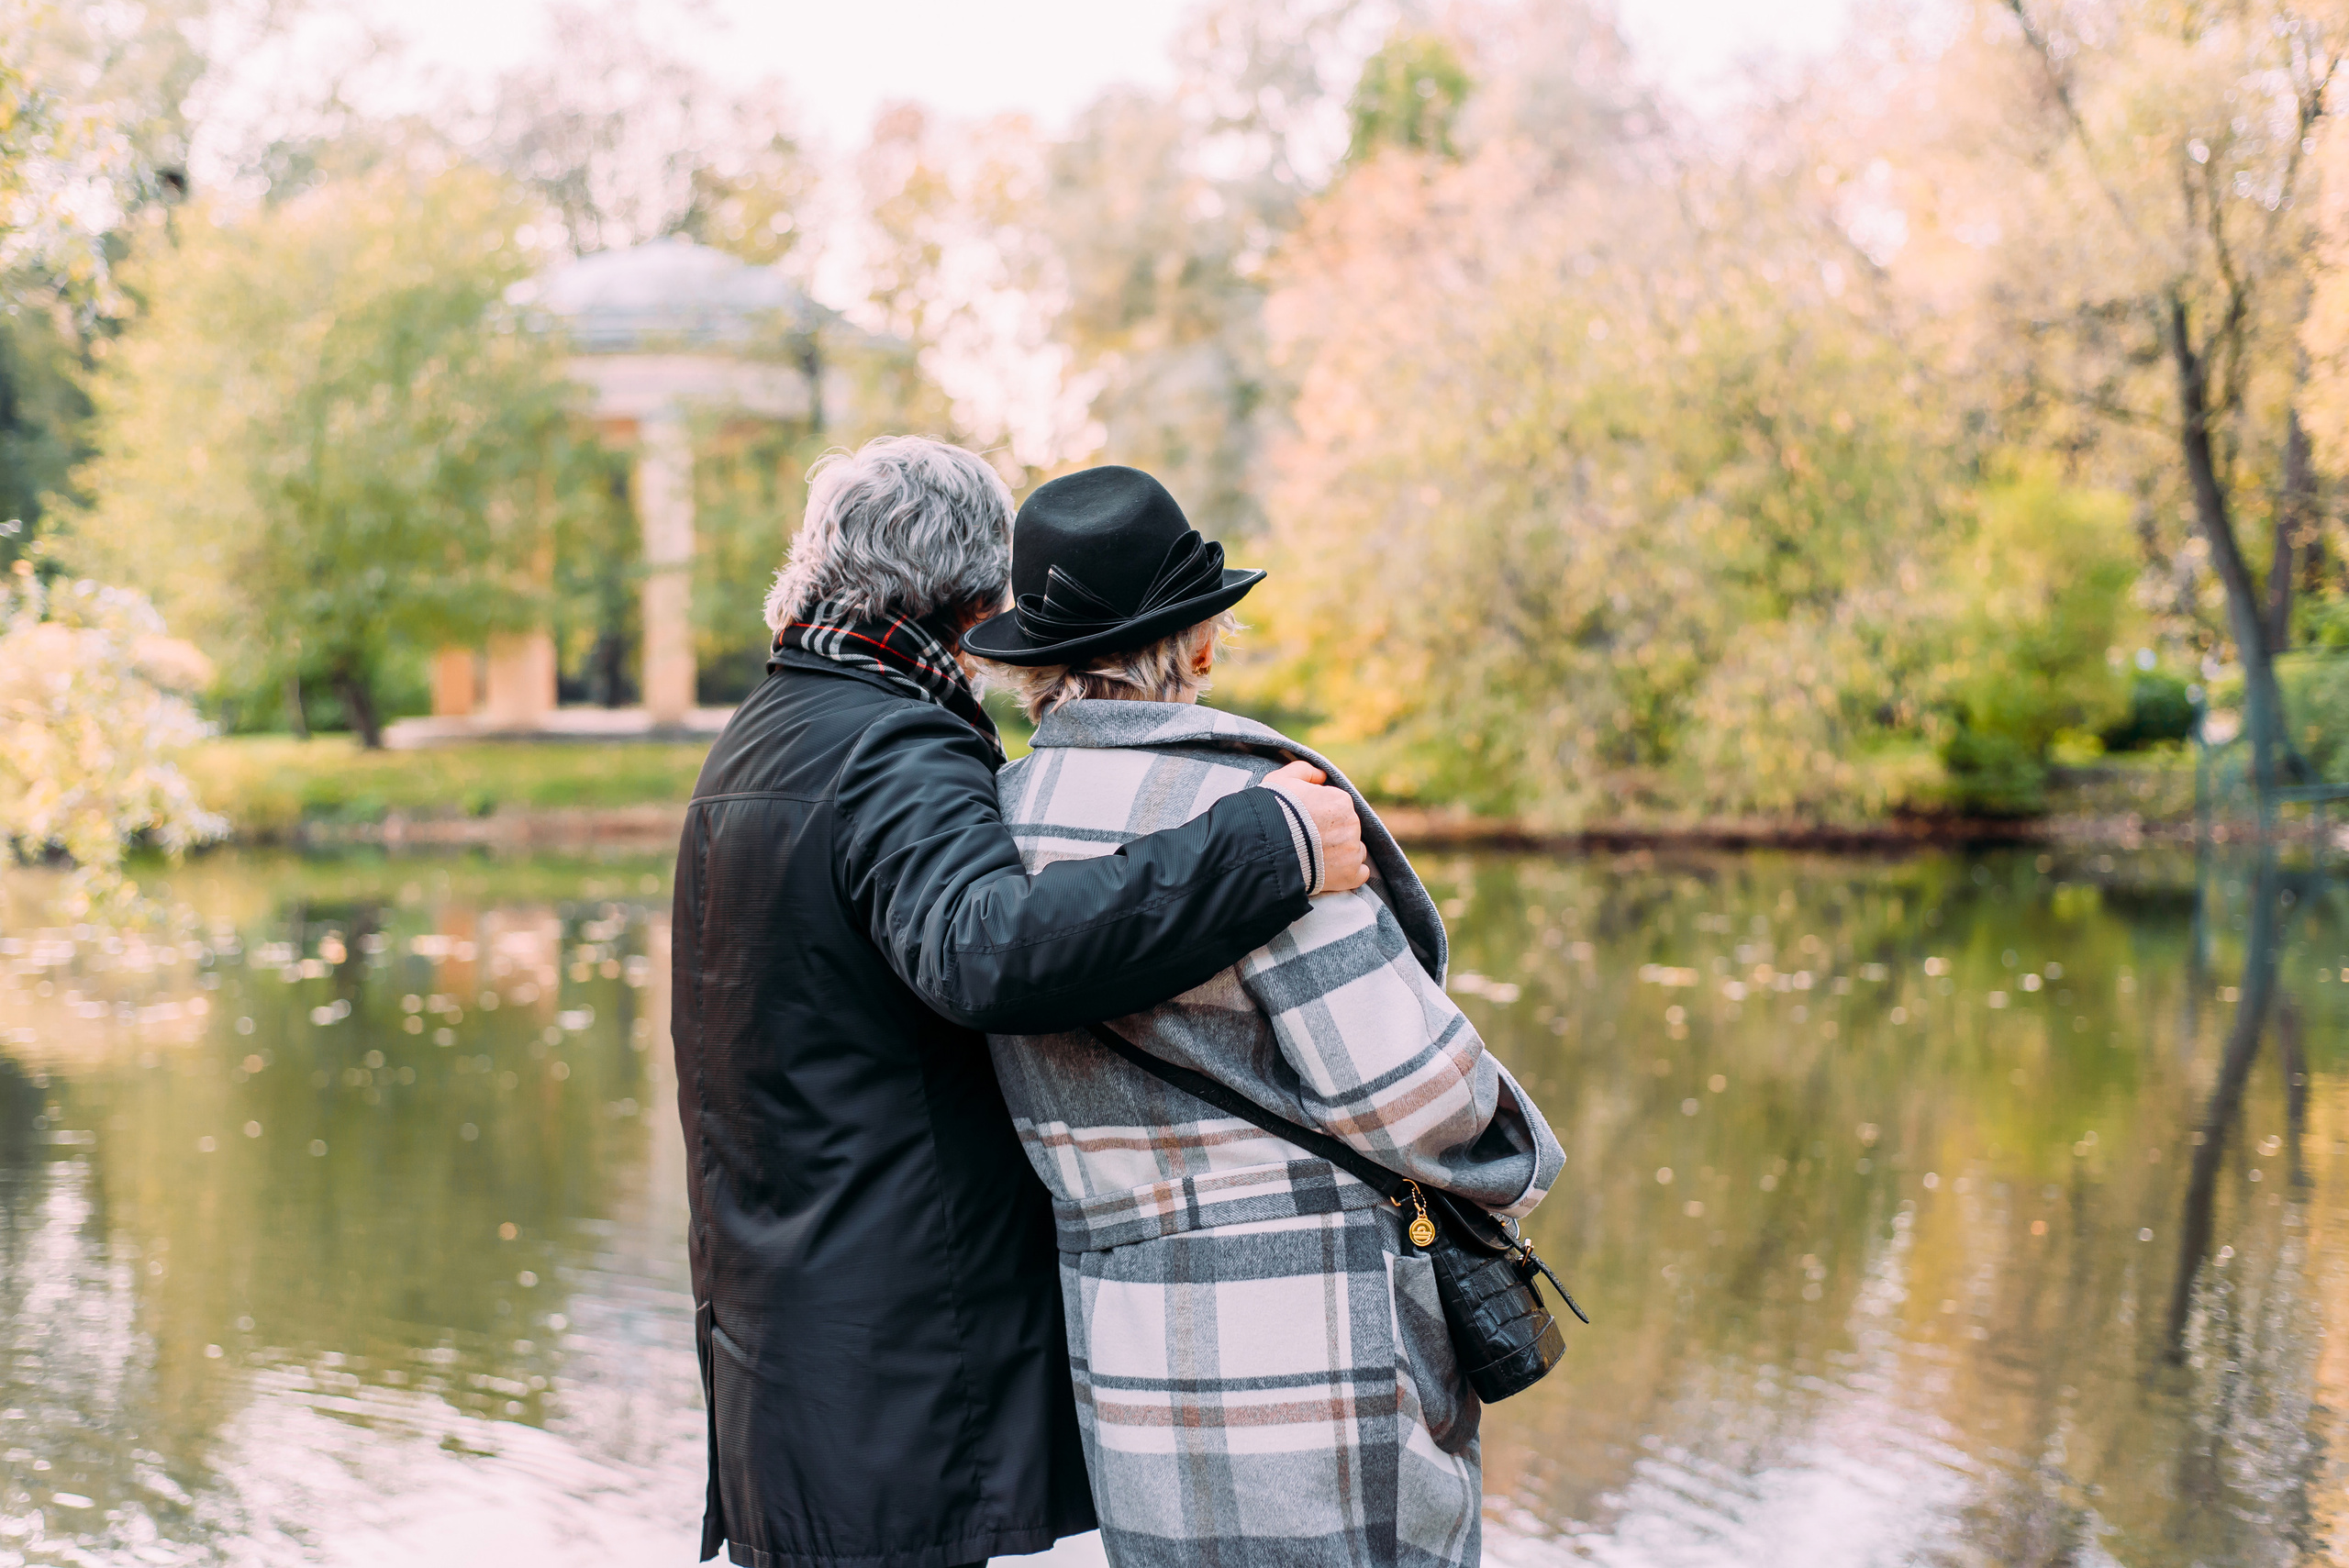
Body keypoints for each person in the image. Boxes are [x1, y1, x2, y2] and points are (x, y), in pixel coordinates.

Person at [670, 437, 1372, 1568]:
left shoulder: (767, 736)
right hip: (883, 1365)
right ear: (970, 595)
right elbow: (988, 949)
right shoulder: (890, 744)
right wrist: (1265, 842)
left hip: (789, 1345)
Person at [966, 466, 1564, 1568]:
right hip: (1317, 1359)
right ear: (1197, 645)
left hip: (1132, 1362)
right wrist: (1516, 1147)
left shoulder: (991, 829)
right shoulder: (1252, 811)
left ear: (1039, 666)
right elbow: (1410, 1092)